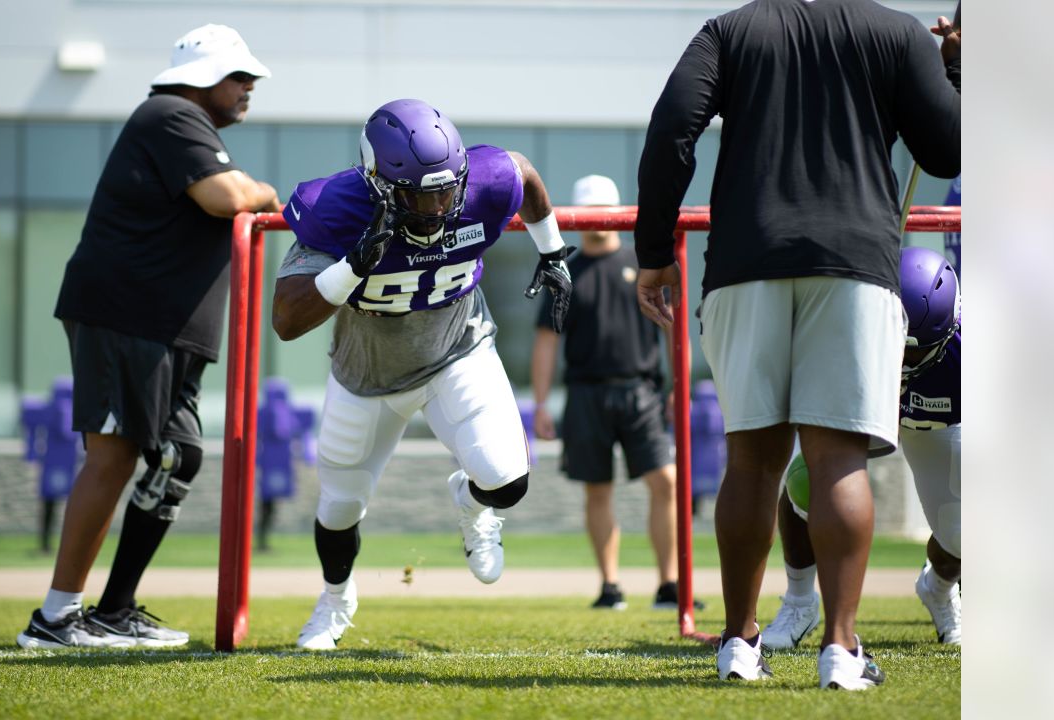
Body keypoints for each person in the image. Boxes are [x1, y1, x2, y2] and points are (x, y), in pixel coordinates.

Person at [634, 2, 960, 690]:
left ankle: (738, 643)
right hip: (855, 264)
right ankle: (840, 652)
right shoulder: (898, 31)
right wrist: (951, 67)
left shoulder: (730, 30)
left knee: (752, 459)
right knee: (838, 459)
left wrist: (655, 248)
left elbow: (671, 131)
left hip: (744, 260)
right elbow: (949, 149)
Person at [271, 98, 574, 651]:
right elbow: (286, 320)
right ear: (378, 185)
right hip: (365, 376)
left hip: (456, 353)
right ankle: (336, 601)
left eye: (446, 190)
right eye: (418, 193)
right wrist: (352, 266)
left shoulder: (483, 181)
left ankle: (472, 502)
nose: (437, 206)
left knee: (506, 478)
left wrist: (552, 252)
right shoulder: (335, 208)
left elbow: (524, 173)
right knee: (339, 509)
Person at [16, 24, 280, 649]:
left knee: (177, 456)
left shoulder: (188, 127)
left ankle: (114, 610)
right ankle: (55, 619)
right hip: (127, 316)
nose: (248, 88)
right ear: (204, 77)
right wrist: (265, 190)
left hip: (162, 327)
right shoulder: (168, 115)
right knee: (113, 455)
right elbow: (227, 196)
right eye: (238, 76)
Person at [763, 247, 962, 649]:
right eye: (897, 346)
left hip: (942, 422)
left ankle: (938, 588)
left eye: (914, 351)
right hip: (869, 404)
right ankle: (800, 602)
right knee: (807, 480)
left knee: (964, 534)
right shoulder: (851, 322)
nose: (902, 360)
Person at [530, 174, 690, 612]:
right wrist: (541, 403)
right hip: (585, 395)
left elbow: (673, 330)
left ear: (619, 213)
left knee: (666, 482)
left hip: (642, 392)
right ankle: (610, 585)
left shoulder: (646, 265)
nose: (599, 219)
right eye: (591, 210)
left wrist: (680, 387)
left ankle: (669, 585)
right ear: (577, 216)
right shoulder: (564, 271)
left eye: (606, 210)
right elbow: (547, 340)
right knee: (597, 490)